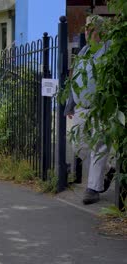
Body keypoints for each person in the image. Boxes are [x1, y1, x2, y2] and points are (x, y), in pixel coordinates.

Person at [65, 15, 114, 205]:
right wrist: (70, 104)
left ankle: (92, 189)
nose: (88, 31)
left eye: (92, 28)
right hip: (82, 109)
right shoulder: (83, 51)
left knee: (99, 147)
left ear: (100, 30)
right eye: (87, 28)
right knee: (78, 145)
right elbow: (75, 81)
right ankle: (108, 169)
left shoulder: (109, 49)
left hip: (102, 109)